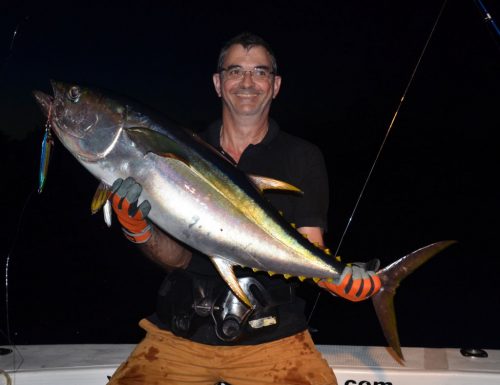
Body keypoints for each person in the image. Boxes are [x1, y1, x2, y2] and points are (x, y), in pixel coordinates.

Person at [106, 32, 381, 385]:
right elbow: (177, 260)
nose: (247, 82)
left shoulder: (303, 157)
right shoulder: (179, 151)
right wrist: (139, 229)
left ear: (275, 85)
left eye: (260, 72)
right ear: (218, 83)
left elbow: (309, 246)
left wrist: (338, 280)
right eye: (235, 71)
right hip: (180, 336)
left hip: (274, 339)